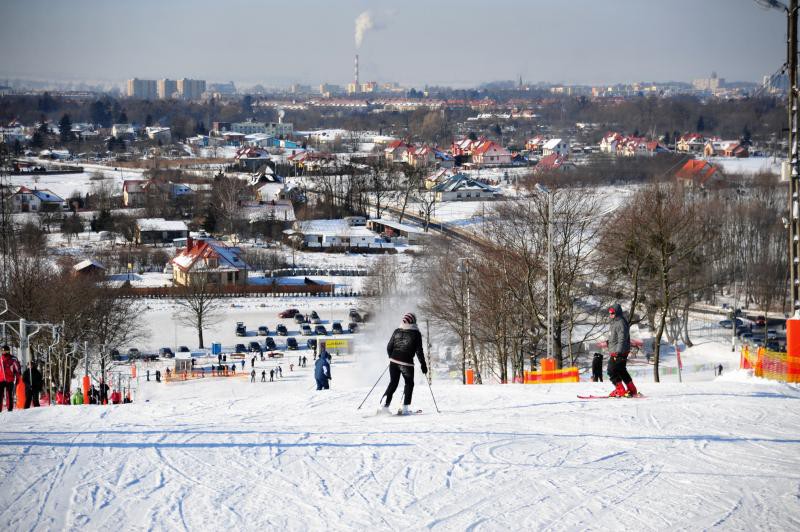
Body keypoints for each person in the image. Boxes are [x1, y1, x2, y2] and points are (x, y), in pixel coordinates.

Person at [380, 313, 427, 415]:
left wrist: (392, 357)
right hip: (407, 363)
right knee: (409, 383)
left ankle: (385, 406)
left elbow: (389, 347)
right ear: (414, 322)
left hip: (394, 362)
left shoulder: (396, 331)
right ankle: (405, 408)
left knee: (393, 383)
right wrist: (423, 365)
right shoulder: (416, 333)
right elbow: (419, 351)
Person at [607, 304, 637, 397]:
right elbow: (615, 336)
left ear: (617, 313)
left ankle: (620, 389)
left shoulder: (620, 322)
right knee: (621, 370)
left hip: (619, 351)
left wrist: (618, 352)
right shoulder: (615, 322)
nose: (610, 315)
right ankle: (632, 389)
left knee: (611, 370)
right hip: (617, 350)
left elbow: (622, 338)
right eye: (610, 313)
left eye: (612, 313)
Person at [0, 345, 21, 412]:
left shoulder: (13, 359)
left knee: (9, 394)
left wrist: (17, 378)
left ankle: (10, 408)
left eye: (6, 351)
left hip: (10, 379)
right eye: (3, 351)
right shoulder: (0, 359)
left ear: (8, 351)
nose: (4, 352)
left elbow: (17, 369)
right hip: (1, 379)